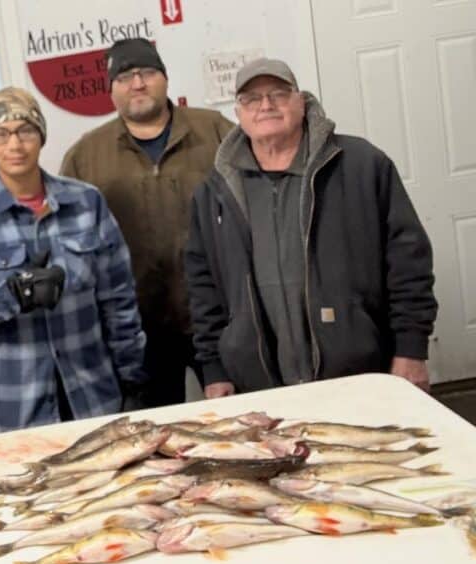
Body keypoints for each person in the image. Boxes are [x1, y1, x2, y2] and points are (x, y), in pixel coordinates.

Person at [185, 57, 437, 397]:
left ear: (301, 101)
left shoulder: (361, 165)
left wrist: (411, 348)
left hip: (361, 376)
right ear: (238, 112)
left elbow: (408, 261)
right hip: (259, 389)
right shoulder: (215, 192)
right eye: (252, 99)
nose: (266, 105)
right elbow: (204, 290)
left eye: (278, 93)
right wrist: (214, 369)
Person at [0, 87, 146, 433]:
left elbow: (118, 299)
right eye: (1, 134)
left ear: (41, 136)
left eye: (25, 131)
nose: (14, 145)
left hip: (94, 397)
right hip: (18, 407)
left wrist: (132, 375)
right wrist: (9, 295)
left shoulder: (86, 202)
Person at [60, 38, 234, 408]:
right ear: (111, 91)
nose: (137, 83)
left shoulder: (217, 132)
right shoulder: (85, 157)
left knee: (241, 423)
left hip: (220, 318)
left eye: (147, 72)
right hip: (138, 332)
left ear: (165, 79)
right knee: (156, 443)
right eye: (124, 76)